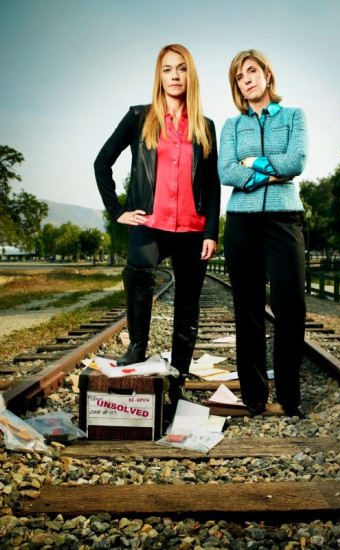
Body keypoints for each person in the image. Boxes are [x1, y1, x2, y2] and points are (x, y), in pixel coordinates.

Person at [94, 44, 220, 406]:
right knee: (138, 268)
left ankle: (178, 374)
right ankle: (137, 346)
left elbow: (212, 185)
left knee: (188, 303)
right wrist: (117, 210)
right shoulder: (139, 117)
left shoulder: (205, 126)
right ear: (159, 76)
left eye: (181, 68)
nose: (174, 75)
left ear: (190, 75)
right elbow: (102, 161)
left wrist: (211, 231)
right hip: (150, 223)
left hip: (193, 229)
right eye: (167, 69)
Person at [218, 49, 308, 418]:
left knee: (291, 306)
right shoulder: (231, 125)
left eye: (252, 71)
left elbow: (296, 161)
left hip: (285, 218)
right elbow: (226, 171)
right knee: (248, 309)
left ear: (267, 75)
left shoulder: (293, 116)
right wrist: (273, 174)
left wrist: (253, 164)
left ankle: (289, 396)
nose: (247, 80)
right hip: (242, 221)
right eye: (239, 77)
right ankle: (254, 396)